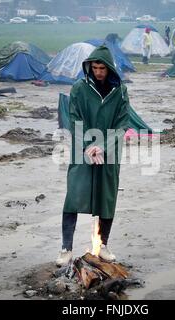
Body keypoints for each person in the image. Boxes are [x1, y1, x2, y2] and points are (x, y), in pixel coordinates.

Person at [56, 45, 130, 267]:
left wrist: (103, 146)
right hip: (82, 151)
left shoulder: (120, 91)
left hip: (109, 153)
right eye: (95, 67)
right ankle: (66, 249)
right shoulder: (79, 89)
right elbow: (74, 119)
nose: (98, 72)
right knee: (73, 196)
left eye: (102, 68)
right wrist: (89, 146)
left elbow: (122, 124)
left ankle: (103, 246)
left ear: (109, 69)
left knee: (106, 198)